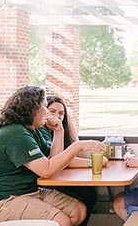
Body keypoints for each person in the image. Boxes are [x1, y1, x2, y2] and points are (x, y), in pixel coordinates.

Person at [0, 86, 104, 226]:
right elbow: (46, 171)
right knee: (62, 221)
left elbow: (54, 161)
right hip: (0, 203)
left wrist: (59, 131)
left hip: (27, 192)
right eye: (44, 107)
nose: (47, 111)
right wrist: (78, 146)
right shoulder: (14, 133)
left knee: (78, 211)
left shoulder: (31, 130)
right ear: (32, 110)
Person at [42, 95, 98, 226]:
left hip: (55, 177)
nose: (57, 116)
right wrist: (92, 163)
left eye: (61, 113)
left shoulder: (59, 130)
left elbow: (69, 155)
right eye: (52, 111)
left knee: (89, 193)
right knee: (84, 195)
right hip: (42, 181)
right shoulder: (40, 132)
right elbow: (58, 161)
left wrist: (64, 126)